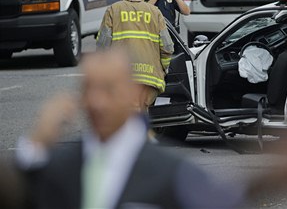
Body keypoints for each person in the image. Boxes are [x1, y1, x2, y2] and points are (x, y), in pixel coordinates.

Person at [15, 50, 244, 209]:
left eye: (108, 90)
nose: (96, 102)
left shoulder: (171, 172)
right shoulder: (58, 166)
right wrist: (37, 142)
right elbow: (167, 45)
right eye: (88, 90)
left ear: (132, 93)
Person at [97, 0, 174, 110]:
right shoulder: (154, 12)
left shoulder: (113, 10)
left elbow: (103, 45)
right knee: (141, 113)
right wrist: (164, 68)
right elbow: (167, 47)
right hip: (150, 77)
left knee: (126, 114)